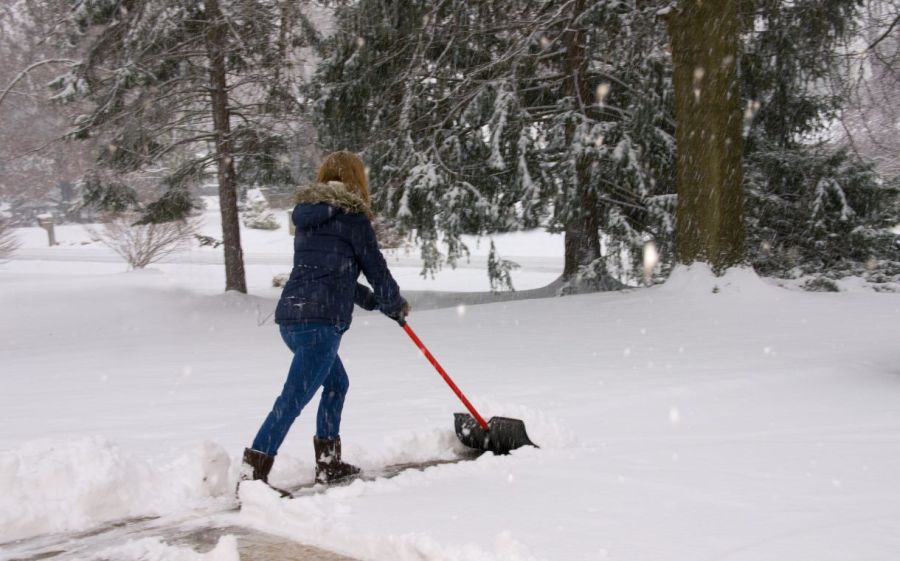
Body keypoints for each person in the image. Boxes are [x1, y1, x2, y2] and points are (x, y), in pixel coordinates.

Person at [240, 151, 409, 493]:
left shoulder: (308, 218)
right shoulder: (352, 218)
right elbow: (375, 268)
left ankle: (329, 464)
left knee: (336, 384)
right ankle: (252, 475)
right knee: (293, 398)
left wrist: (376, 303)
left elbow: (333, 273)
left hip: (292, 317)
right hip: (320, 324)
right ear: (357, 180)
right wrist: (394, 302)